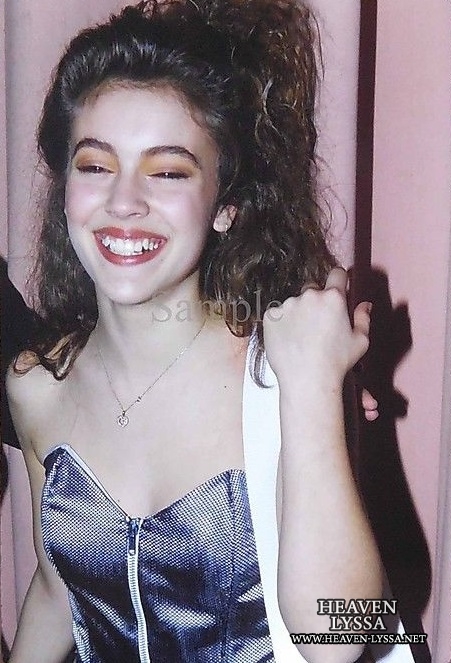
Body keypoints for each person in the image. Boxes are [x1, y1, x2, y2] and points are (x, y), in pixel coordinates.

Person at [6, 1, 383, 661]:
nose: (124, 201)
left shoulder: (284, 376)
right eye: (95, 165)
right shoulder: (38, 386)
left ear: (225, 206)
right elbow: (57, 588)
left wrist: (314, 386)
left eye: (168, 172)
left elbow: (344, 641)